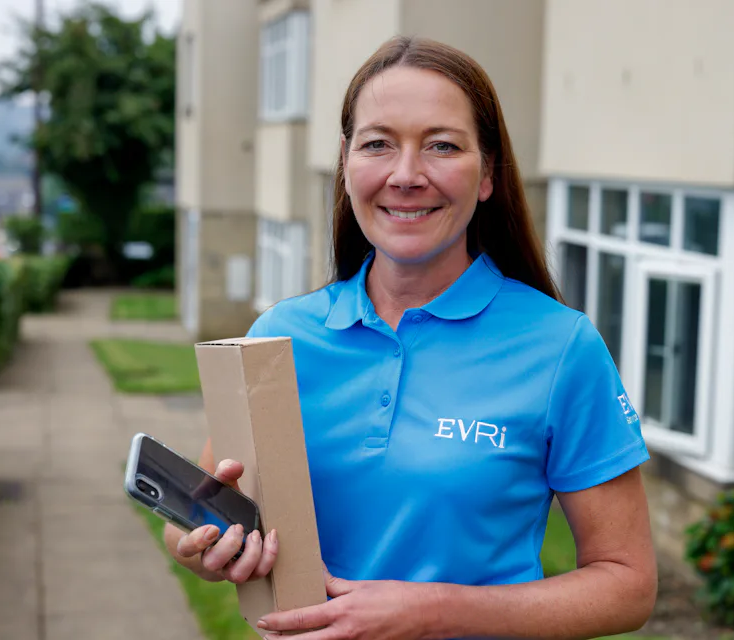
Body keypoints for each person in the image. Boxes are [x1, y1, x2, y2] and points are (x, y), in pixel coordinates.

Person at [163, 35, 657, 639]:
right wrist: (205, 546)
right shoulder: (280, 336)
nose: (405, 175)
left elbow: (627, 584)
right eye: (377, 144)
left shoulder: (561, 347)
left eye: (442, 146)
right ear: (346, 163)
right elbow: (196, 511)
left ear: (487, 175)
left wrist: (436, 612)